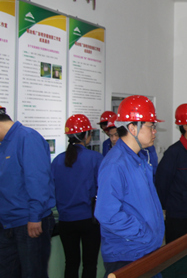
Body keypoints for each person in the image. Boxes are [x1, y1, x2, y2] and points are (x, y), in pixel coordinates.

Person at [94, 95, 165, 277]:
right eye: (151, 126)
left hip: (144, 249)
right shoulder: (115, 164)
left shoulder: (138, 158)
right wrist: (144, 232)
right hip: (127, 254)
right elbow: (106, 214)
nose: (154, 132)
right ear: (133, 128)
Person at [0, 105, 56, 278]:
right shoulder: (4, 144)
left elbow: (37, 180)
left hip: (29, 224)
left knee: (33, 273)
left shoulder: (27, 137)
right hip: (7, 223)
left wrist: (35, 216)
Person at [52, 114, 103, 278]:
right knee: (90, 264)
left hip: (65, 221)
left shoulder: (57, 161)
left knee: (71, 263)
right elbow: (103, 187)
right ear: (87, 135)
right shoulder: (95, 158)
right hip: (89, 220)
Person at [155, 103, 187, 243]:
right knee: (179, 254)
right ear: (186, 127)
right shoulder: (174, 152)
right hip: (179, 218)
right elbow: (161, 183)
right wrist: (164, 209)